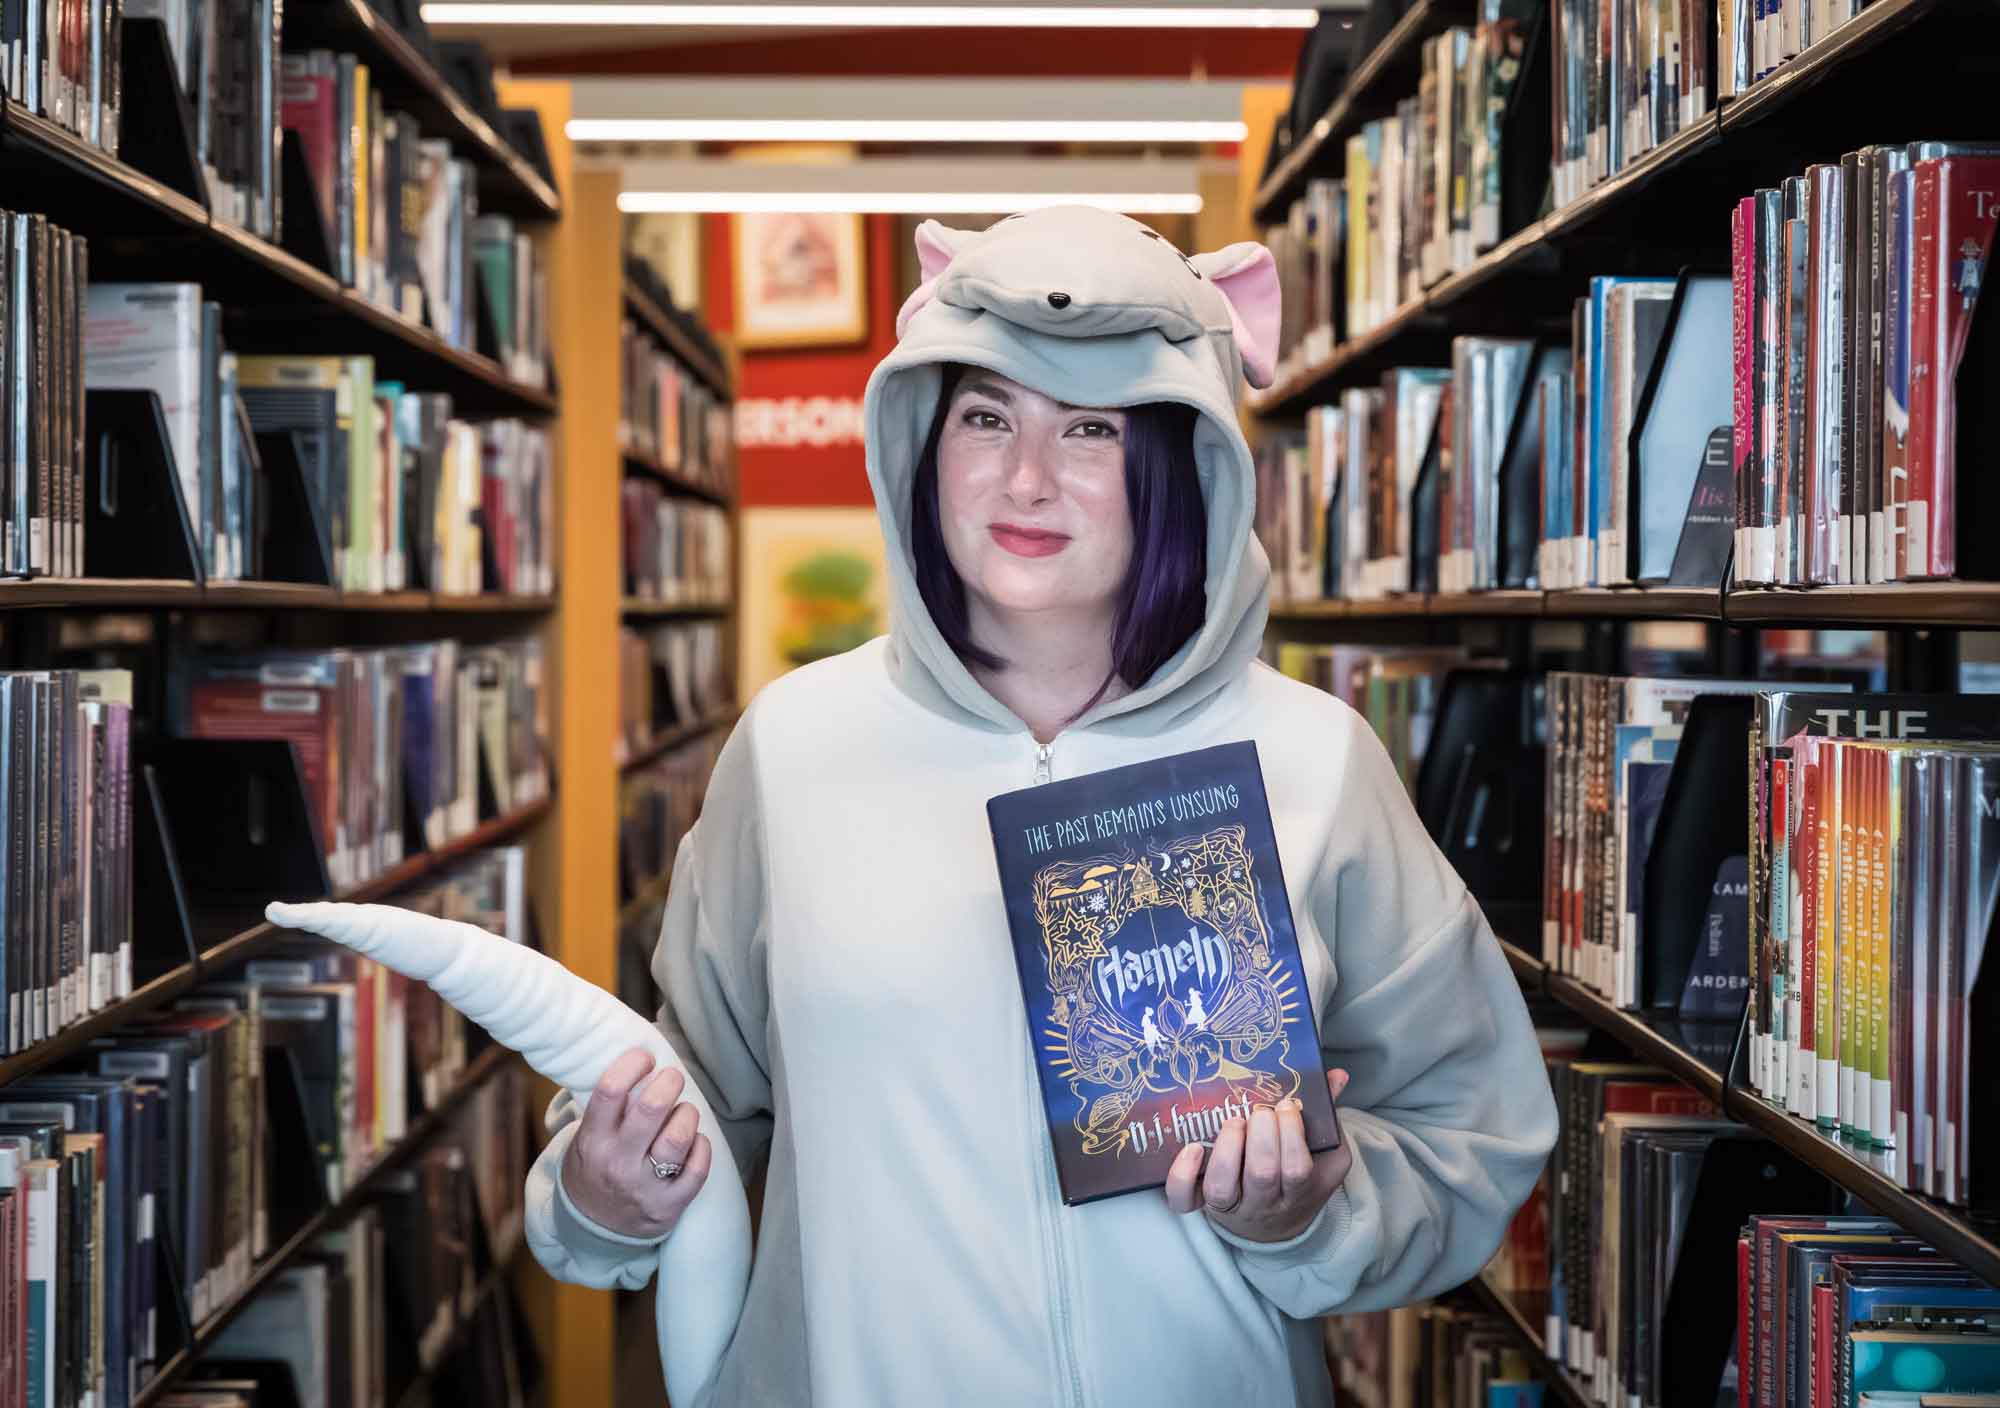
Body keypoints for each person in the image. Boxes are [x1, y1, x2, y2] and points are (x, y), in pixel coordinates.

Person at [526, 205, 1558, 1406]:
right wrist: (600, 1197)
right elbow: (686, 1089)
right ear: (920, 436)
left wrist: (1309, 1212)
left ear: (1182, 462)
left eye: (1089, 429)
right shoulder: (792, 748)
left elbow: (1464, 1130)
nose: (1024, 478)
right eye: (983, 416)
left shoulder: (1314, 760)